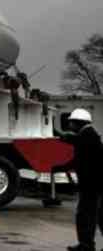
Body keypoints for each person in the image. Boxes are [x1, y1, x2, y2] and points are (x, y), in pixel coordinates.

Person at [56, 108, 103, 251]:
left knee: (85, 215)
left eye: (71, 122)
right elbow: (74, 141)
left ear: (78, 122)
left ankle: (86, 245)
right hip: (95, 184)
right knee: (96, 215)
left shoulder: (87, 136)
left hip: (91, 185)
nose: (69, 125)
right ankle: (86, 244)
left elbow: (78, 159)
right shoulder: (88, 134)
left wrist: (61, 167)